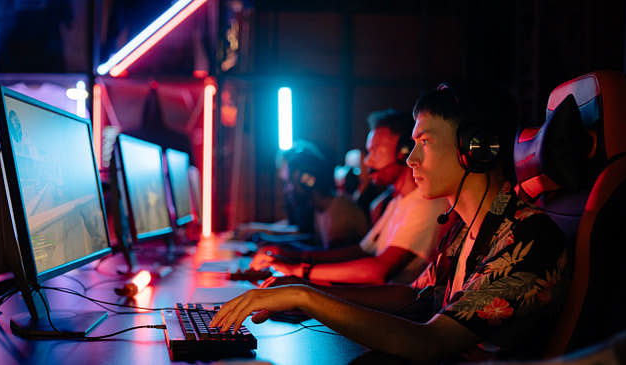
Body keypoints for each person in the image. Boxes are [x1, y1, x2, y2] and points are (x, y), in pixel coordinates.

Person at [211, 83, 570, 362]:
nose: (410, 159)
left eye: (424, 142)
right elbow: (416, 296)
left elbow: (430, 342)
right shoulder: (467, 229)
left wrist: (306, 295)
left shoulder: (528, 238)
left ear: (474, 148)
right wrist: (305, 297)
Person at [251, 109, 450, 285]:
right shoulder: (397, 201)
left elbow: (378, 270)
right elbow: (362, 251)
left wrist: (300, 270)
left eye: (375, 150)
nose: (369, 160)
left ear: (403, 151)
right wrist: (294, 258)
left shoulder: (426, 203)